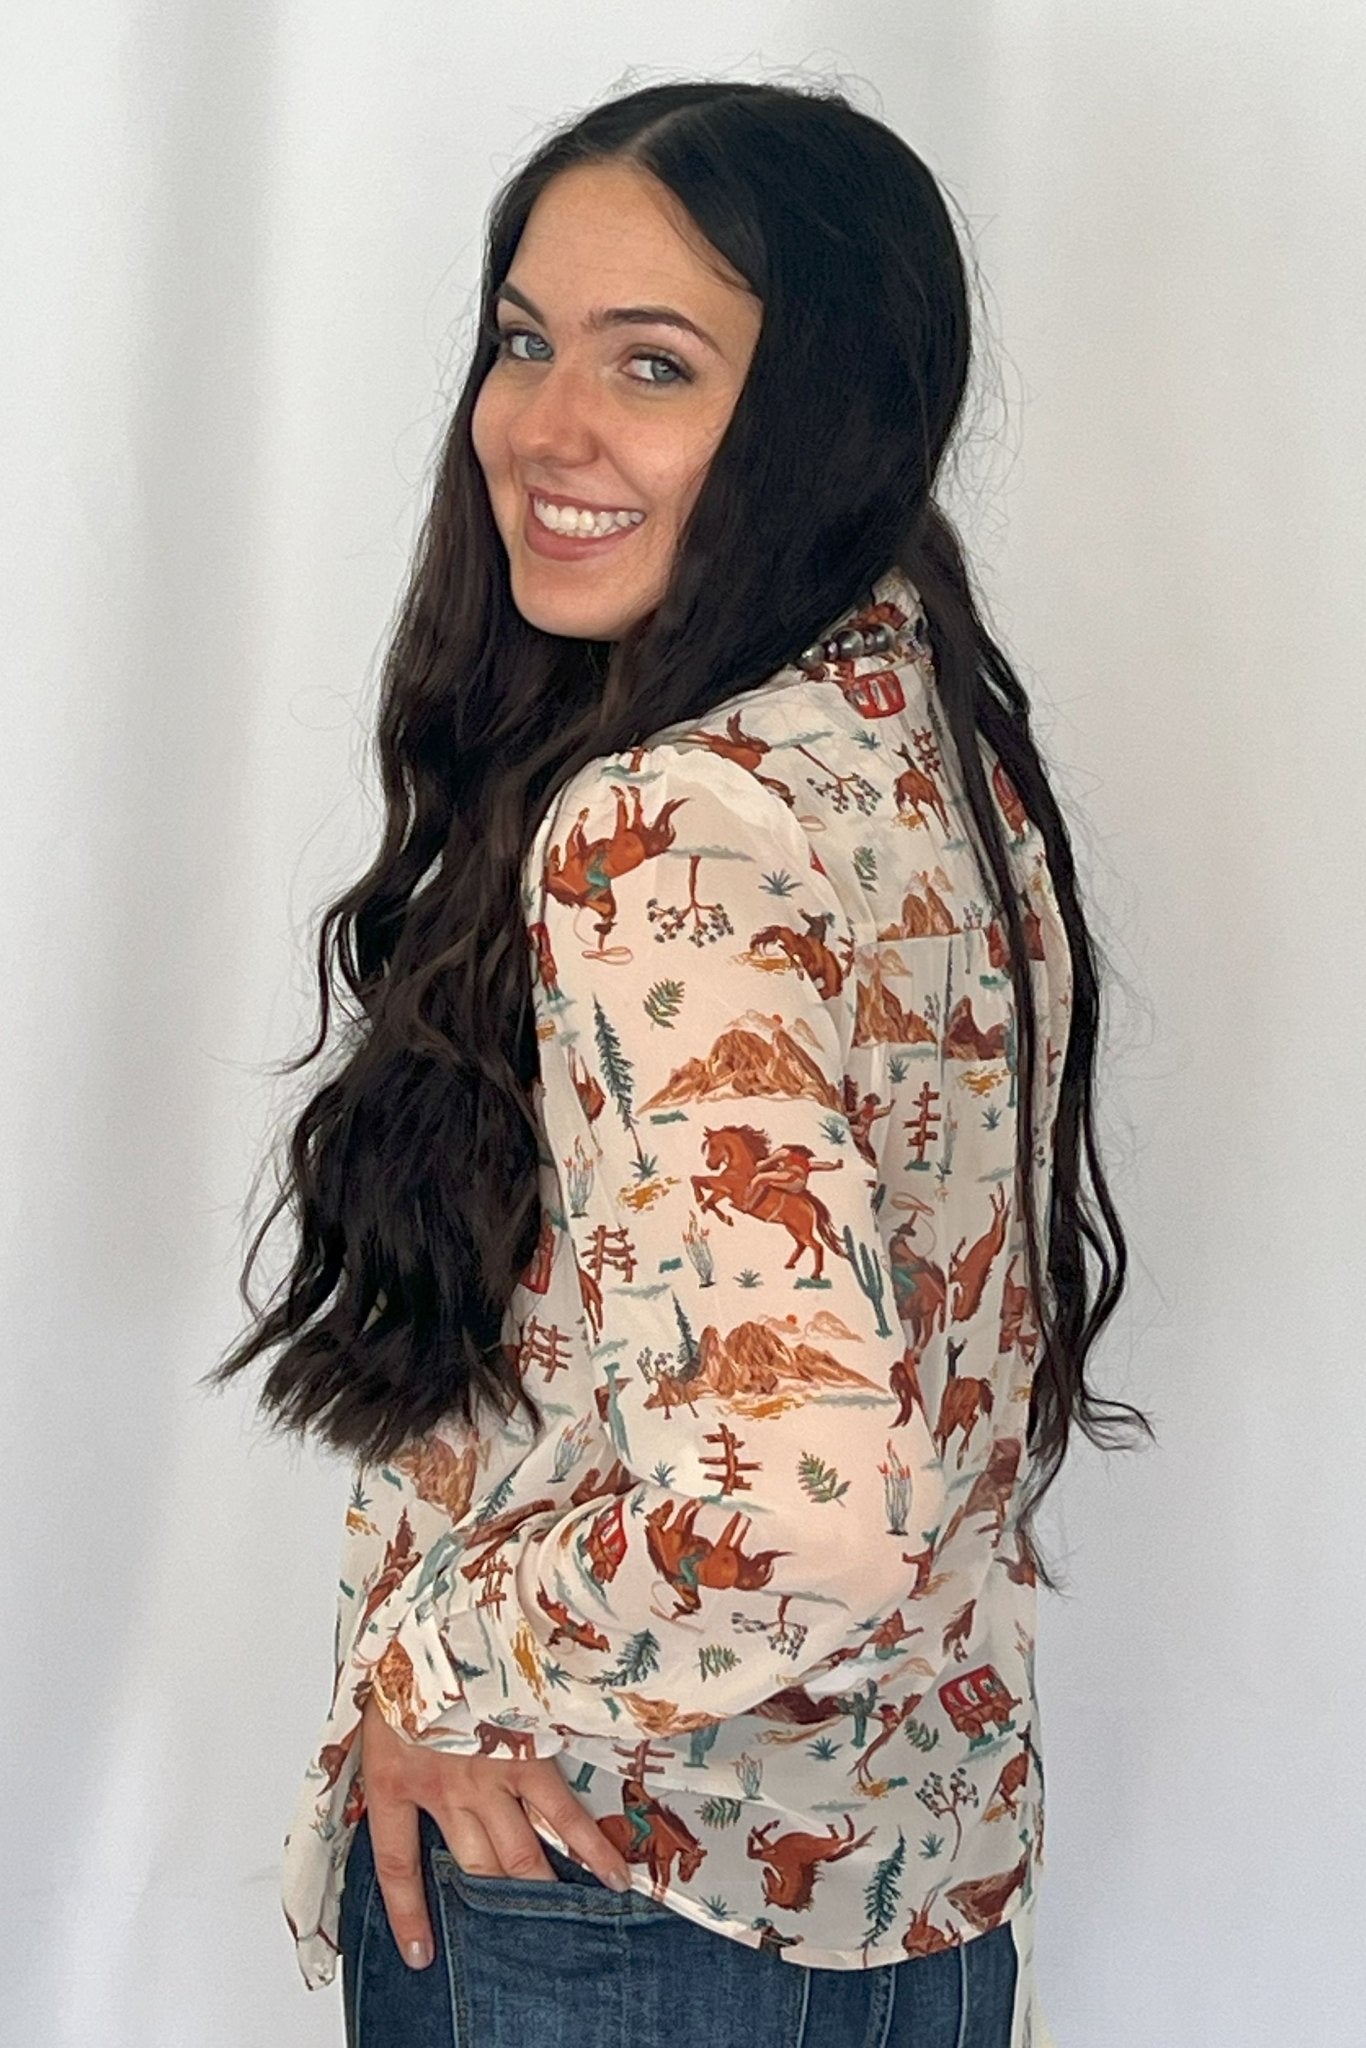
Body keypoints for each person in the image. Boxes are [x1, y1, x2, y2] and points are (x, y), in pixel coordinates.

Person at [205, 75, 1149, 2048]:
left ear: (821, 415)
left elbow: (804, 1513)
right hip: (908, 1884)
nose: (542, 427)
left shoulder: (671, 824)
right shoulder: (915, 740)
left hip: (606, 1889)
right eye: (523, 339)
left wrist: (431, 1659)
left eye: (653, 365)